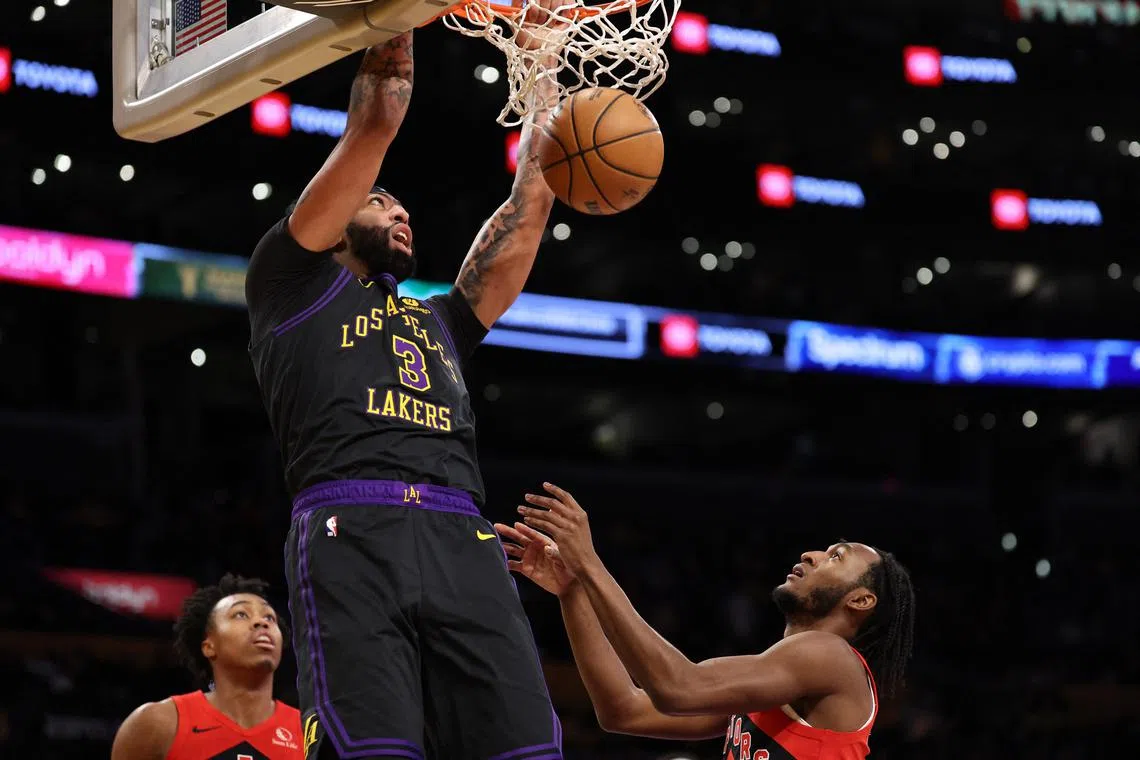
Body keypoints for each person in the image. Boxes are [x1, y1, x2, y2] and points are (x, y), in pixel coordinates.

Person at [244, 5, 567, 758]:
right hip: (352, 525)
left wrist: (543, 71)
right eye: (379, 198)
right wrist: (402, 12)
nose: (401, 208)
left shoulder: (442, 321)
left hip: (464, 532)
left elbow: (528, 210)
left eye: (400, 201)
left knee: (525, 748)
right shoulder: (289, 282)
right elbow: (377, 120)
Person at [502, 483, 917, 760]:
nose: (812, 554)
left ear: (860, 600)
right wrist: (574, 590)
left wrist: (589, 564)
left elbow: (678, 688)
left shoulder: (831, 655)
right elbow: (623, 711)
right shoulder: (777, 685)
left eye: (836, 557)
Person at [110, 574, 302, 760]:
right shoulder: (157, 724)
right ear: (209, 646)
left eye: (270, 618)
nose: (262, 622)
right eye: (241, 614)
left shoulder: (308, 733)